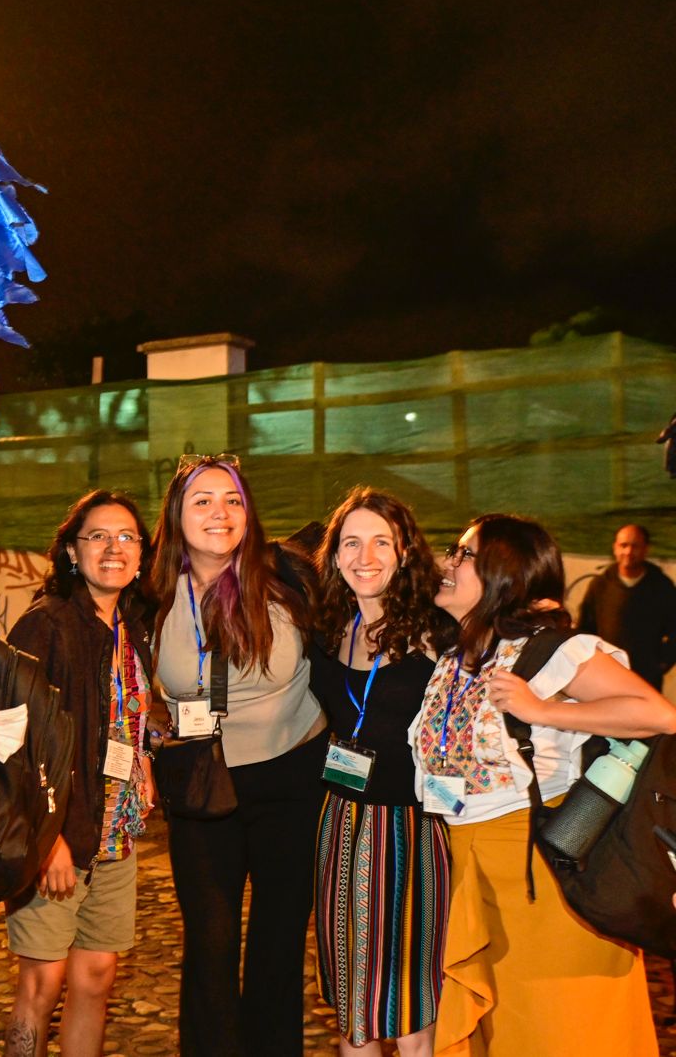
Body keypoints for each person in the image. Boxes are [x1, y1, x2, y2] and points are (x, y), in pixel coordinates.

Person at [408, 513, 676, 1056]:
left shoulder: (550, 649)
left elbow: (657, 713)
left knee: (561, 1030)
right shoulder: (456, 656)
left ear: (503, 573)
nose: (448, 563)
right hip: (471, 869)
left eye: (464, 554)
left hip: (544, 875)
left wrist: (542, 709)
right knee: (505, 1032)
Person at [149, 453, 328, 1057]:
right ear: (177, 513)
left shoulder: (290, 576)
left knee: (279, 939)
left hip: (292, 778)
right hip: (201, 782)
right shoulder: (148, 592)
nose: (219, 513)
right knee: (211, 939)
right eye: (202, 500)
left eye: (233, 500)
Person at [3, 489, 155, 1057]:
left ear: (142, 555)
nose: (113, 548)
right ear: (72, 551)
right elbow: (14, 742)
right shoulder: (46, 626)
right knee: (40, 984)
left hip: (115, 833)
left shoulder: (130, 626)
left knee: (96, 979)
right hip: (59, 838)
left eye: (127, 538)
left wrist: (143, 764)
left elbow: (119, 716)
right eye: (97, 537)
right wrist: (48, 840)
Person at [308, 488, 450, 1057]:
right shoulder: (326, 628)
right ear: (335, 555)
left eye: (380, 542)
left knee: (412, 999)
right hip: (340, 826)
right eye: (351, 542)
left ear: (404, 551)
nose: (365, 555)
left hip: (413, 832)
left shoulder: (436, 632)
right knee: (353, 1005)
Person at [576, 523, 676, 688]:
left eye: (635, 546)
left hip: (646, 682)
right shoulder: (600, 585)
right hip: (605, 678)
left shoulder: (661, 587)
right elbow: (585, 630)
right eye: (623, 545)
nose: (628, 552)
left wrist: (661, 665)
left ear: (646, 549)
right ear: (615, 548)